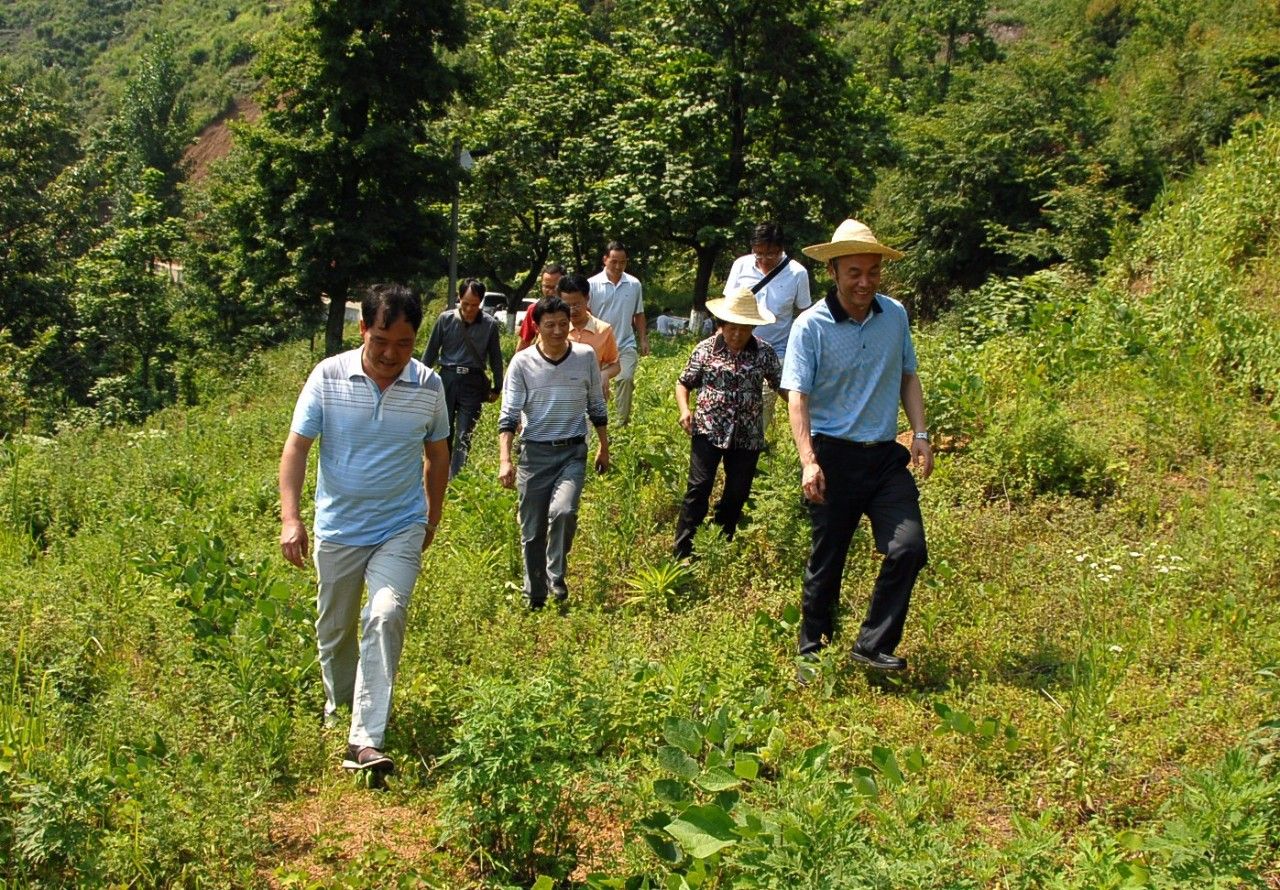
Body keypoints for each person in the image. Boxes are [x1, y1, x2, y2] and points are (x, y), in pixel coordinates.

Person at [278, 283, 450, 774]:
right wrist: (292, 519)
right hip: (338, 528)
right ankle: (340, 709)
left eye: (404, 344)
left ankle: (366, 738)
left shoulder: (428, 386)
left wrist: (430, 518)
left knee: (385, 613)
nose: (392, 354)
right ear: (363, 330)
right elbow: (296, 449)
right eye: (381, 341)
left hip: (400, 525)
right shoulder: (328, 376)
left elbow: (437, 457)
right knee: (334, 631)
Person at [782, 219, 933, 674]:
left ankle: (872, 645)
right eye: (854, 273)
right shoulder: (811, 326)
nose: (864, 282)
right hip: (833, 457)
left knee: (909, 547)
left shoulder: (896, 315)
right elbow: (798, 398)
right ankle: (813, 652)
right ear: (834, 271)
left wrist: (920, 434)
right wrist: (808, 461)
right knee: (828, 560)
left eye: (872, 271)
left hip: (885, 456)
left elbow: (908, 375)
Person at [498, 296, 610, 609]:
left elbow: (596, 405)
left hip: (572, 451)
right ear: (536, 326)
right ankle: (534, 594)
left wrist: (604, 445)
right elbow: (508, 415)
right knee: (532, 530)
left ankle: (555, 576)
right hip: (534, 455)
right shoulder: (522, 363)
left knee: (564, 511)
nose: (558, 331)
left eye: (564, 324)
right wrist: (505, 460)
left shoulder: (585, 356)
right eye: (550, 325)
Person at [673, 287, 782, 559]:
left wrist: (803, 407)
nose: (737, 335)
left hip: (747, 434)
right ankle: (683, 553)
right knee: (699, 488)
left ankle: (720, 543)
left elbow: (782, 385)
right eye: (731, 328)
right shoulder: (706, 349)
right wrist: (685, 410)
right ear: (721, 325)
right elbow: (683, 383)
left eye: (744, 329)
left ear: (753, 327)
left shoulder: (764, 353)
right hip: (708, 430)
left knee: (737, 492)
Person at [723, 221, 811, 433]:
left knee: (762, 402)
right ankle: (730, 441)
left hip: (777, 350)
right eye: (758, 253)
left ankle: (752, 445)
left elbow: (804, 315)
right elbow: (728, 307)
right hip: (739, 346)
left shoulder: (797, 273)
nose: (763, 259)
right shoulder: (741, 266)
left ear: (781, 249)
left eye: (770, 254)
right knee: (731, 399)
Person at [421, 278, 504, 479]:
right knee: (443, 431)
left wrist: (497, 387)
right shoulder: (445, 319)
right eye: (465, 304)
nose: (469, 309)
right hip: (447, 378)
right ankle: (440, 473)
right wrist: (420, 381)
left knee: (464, 433)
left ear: (481, 302)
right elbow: (430, 352)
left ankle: (457, 478)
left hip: (473, 382)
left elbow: (496, 357)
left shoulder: (489, 325)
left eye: (474, 305)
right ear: (459, 298)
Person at [588, 241, 648, 425]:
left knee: (626, 379)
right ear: (605, 260)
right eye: (614, 261)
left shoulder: (634, 284)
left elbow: (638, 314)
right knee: (596, 386)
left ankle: (620, 424)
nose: (618, 266)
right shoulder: (591, 284)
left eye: (622, 262)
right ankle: (597, 422)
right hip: (599, 347)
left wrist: (643, 339)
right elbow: (587, 314)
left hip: (625, 343)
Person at [559, 273, 620, 399]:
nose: (572, 310)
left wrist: (605, 374)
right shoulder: (553, 330)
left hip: (591, 396)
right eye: (567, 305)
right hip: (559, 395)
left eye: (576, 304)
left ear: (587, 298)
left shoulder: (603, 330)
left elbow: (615, 364)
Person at [517, 263, 566, 350]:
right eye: (547, 287)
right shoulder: (534, 309)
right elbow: (523, 343)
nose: (550, 291)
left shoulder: (573, 309)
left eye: (555, 287)